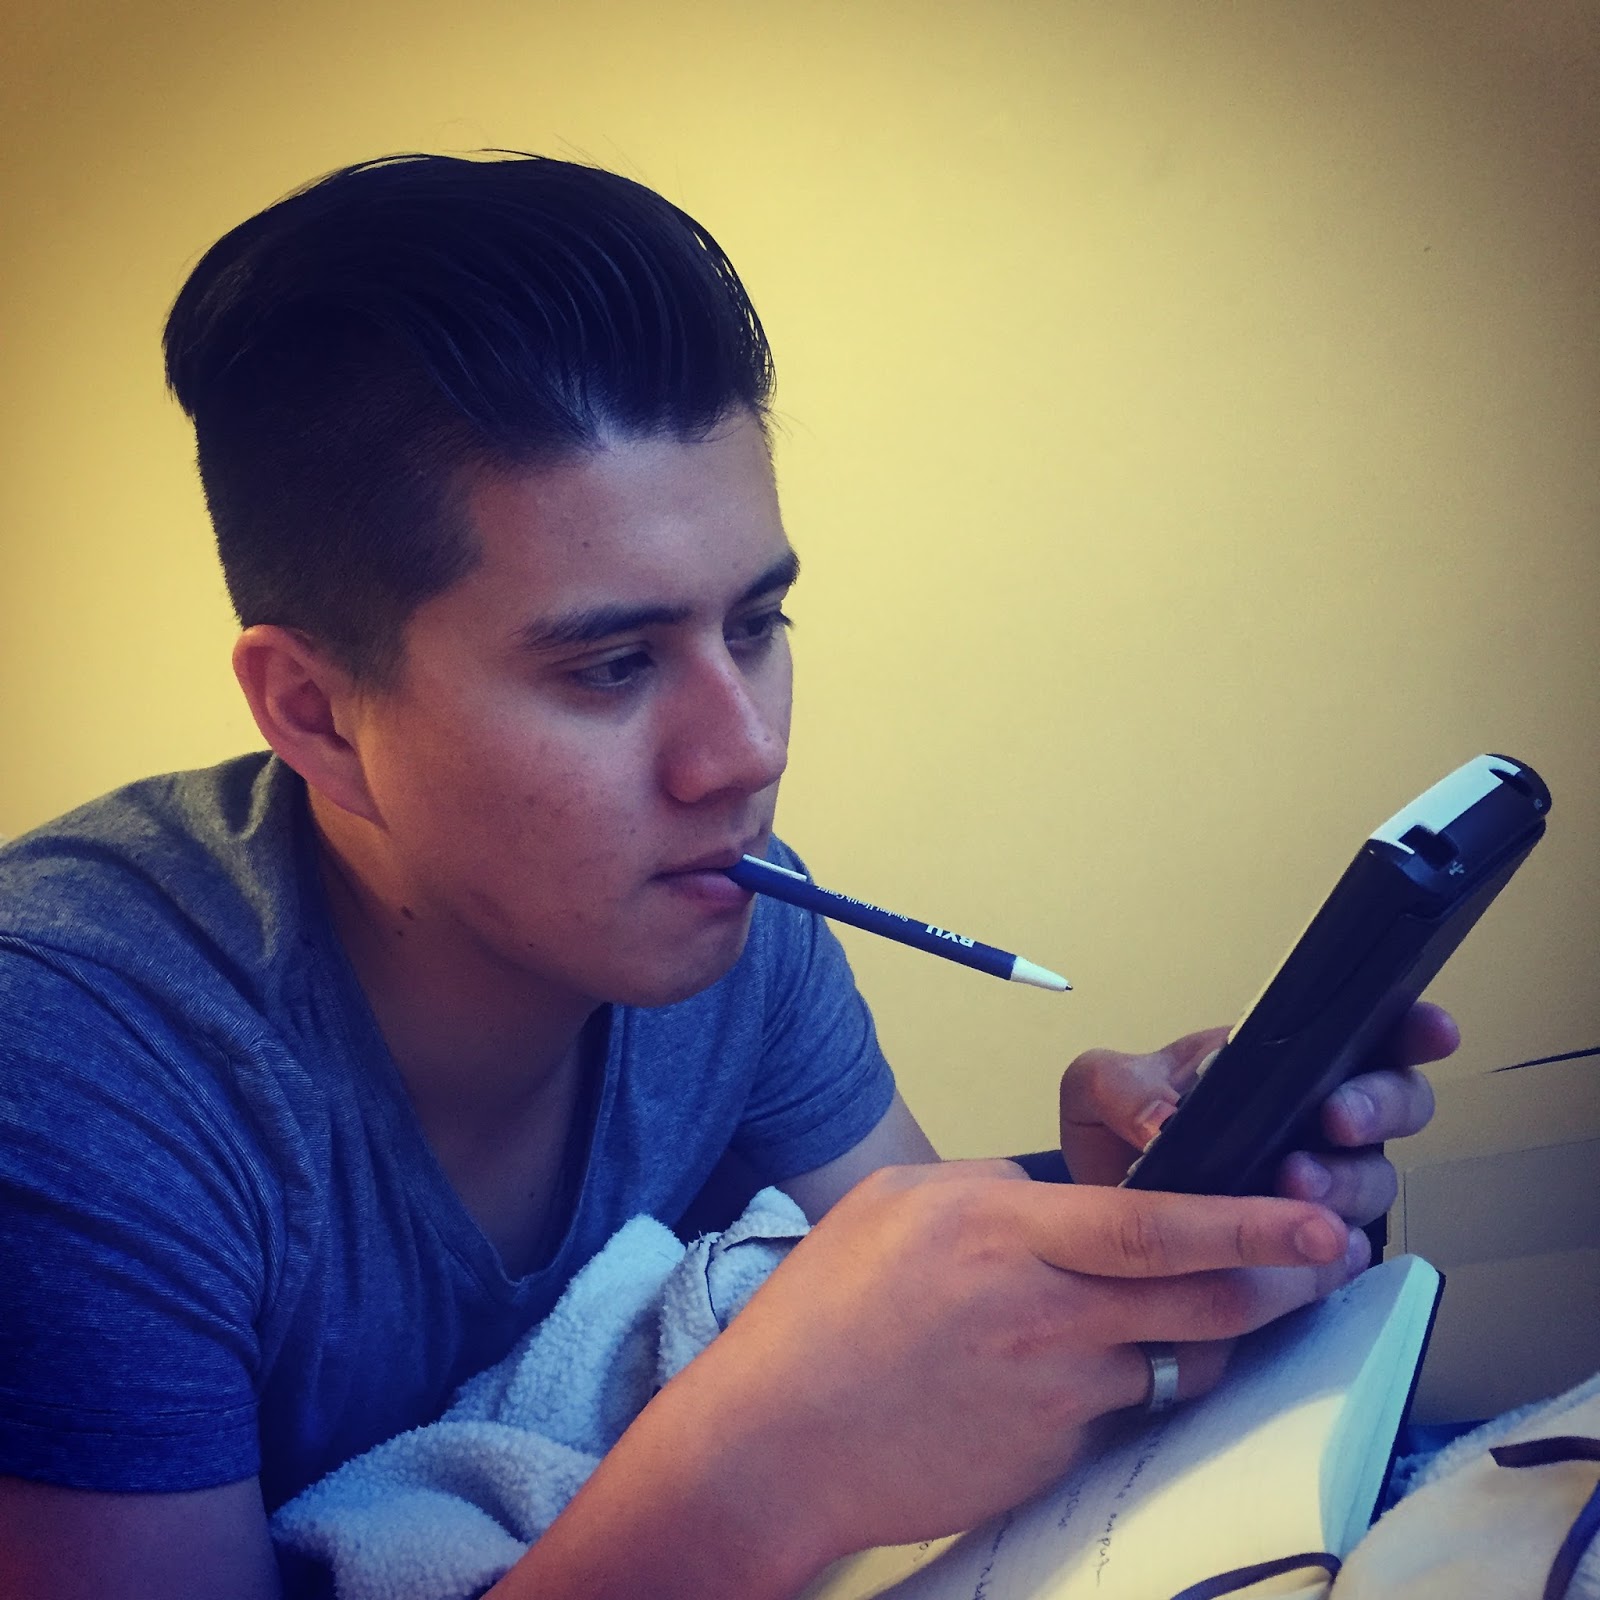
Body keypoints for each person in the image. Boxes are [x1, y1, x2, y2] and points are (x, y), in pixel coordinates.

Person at [0, 152, 1448, 1599]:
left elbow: (915, 1318)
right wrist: (758, 1477)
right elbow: (814, 1434)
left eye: (756, 626)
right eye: (612, 666)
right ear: (318, 716)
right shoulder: (67, 1062)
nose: (743, 755)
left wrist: (1122, 1225)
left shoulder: (734, 913)